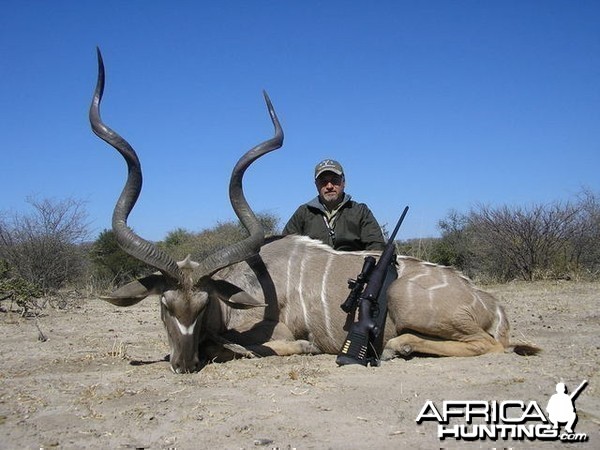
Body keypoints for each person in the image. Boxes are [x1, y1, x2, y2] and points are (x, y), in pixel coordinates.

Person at [283, 159, 385, 251]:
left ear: (343, 182)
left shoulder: (360, 211)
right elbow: (285, 246)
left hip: (355, 269)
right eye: (323, 181)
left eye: (335, 180)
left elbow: (376, 247)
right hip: (313, 270)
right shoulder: (303, 212)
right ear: (316, 185)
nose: (329, 186)